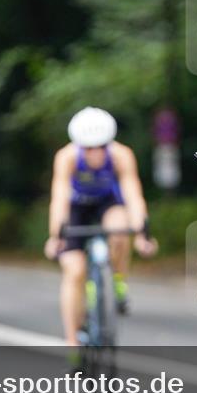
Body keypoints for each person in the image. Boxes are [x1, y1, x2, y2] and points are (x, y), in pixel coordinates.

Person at [44, 107, 157, 365]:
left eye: (100, 147)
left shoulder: (121, 155)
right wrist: (55, 236)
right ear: (78, 145)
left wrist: (142, 234)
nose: (94, 153)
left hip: (108, 202)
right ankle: (72, 343)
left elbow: (133, 195)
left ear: (109, 143)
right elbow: (59, 198)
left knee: (119, 229)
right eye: (88, 148)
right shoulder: (67, 157)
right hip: (76, 208)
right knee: (73, 271)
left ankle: (116, 279)